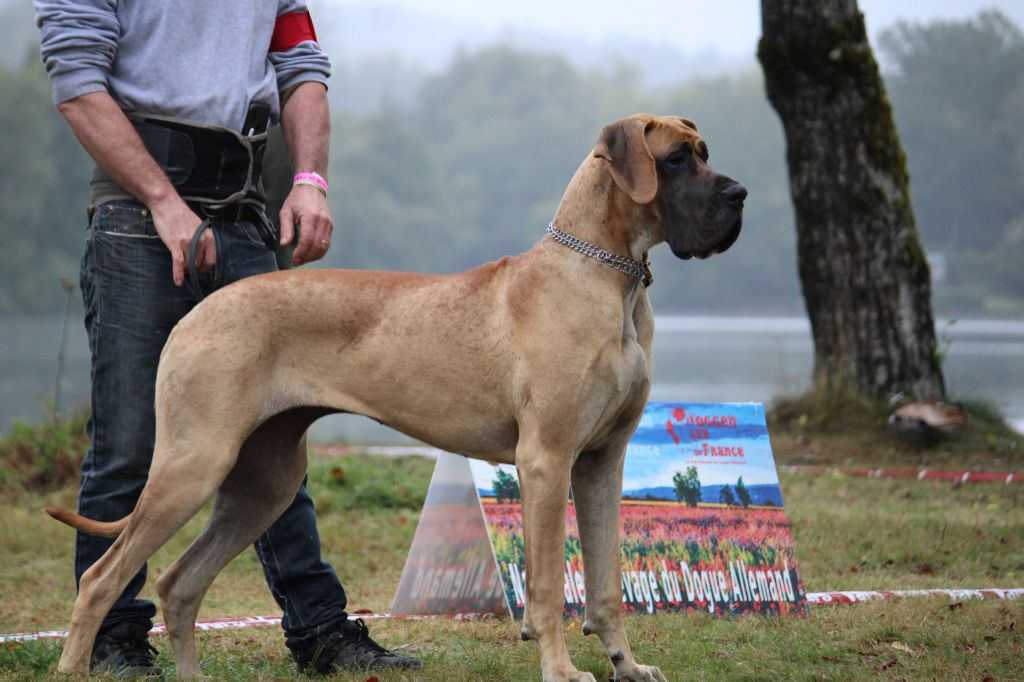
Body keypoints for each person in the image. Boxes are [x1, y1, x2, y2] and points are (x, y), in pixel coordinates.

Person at [33, 1, 420, 676]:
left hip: (244, 208)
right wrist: (161, 201)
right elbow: (77, 83)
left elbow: (301, 68)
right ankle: (113, 640)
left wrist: (309, 181)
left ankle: (319, 632)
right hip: (137, 211)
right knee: (128, 443)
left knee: (278, 441)